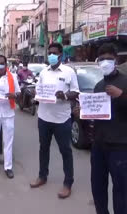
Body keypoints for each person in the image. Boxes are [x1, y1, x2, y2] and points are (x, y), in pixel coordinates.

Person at [30, 43, 79, 199]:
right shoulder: (44, 72)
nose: (51, 55)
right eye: (49, 53)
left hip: (62, 119)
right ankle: (42, 176)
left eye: (54, 53)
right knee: (43, 148)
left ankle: (68, 183)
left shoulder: (69, 72)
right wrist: (34, 94)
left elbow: (76, 92)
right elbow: (38, 90)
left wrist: (64, 95)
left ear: (60, 55)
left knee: (65, 151)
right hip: (44, 117)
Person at [88, 43, 127, 214]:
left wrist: (122, 95)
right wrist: (84, 111)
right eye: (101, 59)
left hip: (120, 146)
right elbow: (95, 113)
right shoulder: (98, 85)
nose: (105, 62)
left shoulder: (125, 82)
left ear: (116, 59)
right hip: (99, 145)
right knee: (98, 187)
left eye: (108, 59)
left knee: (121, 190)